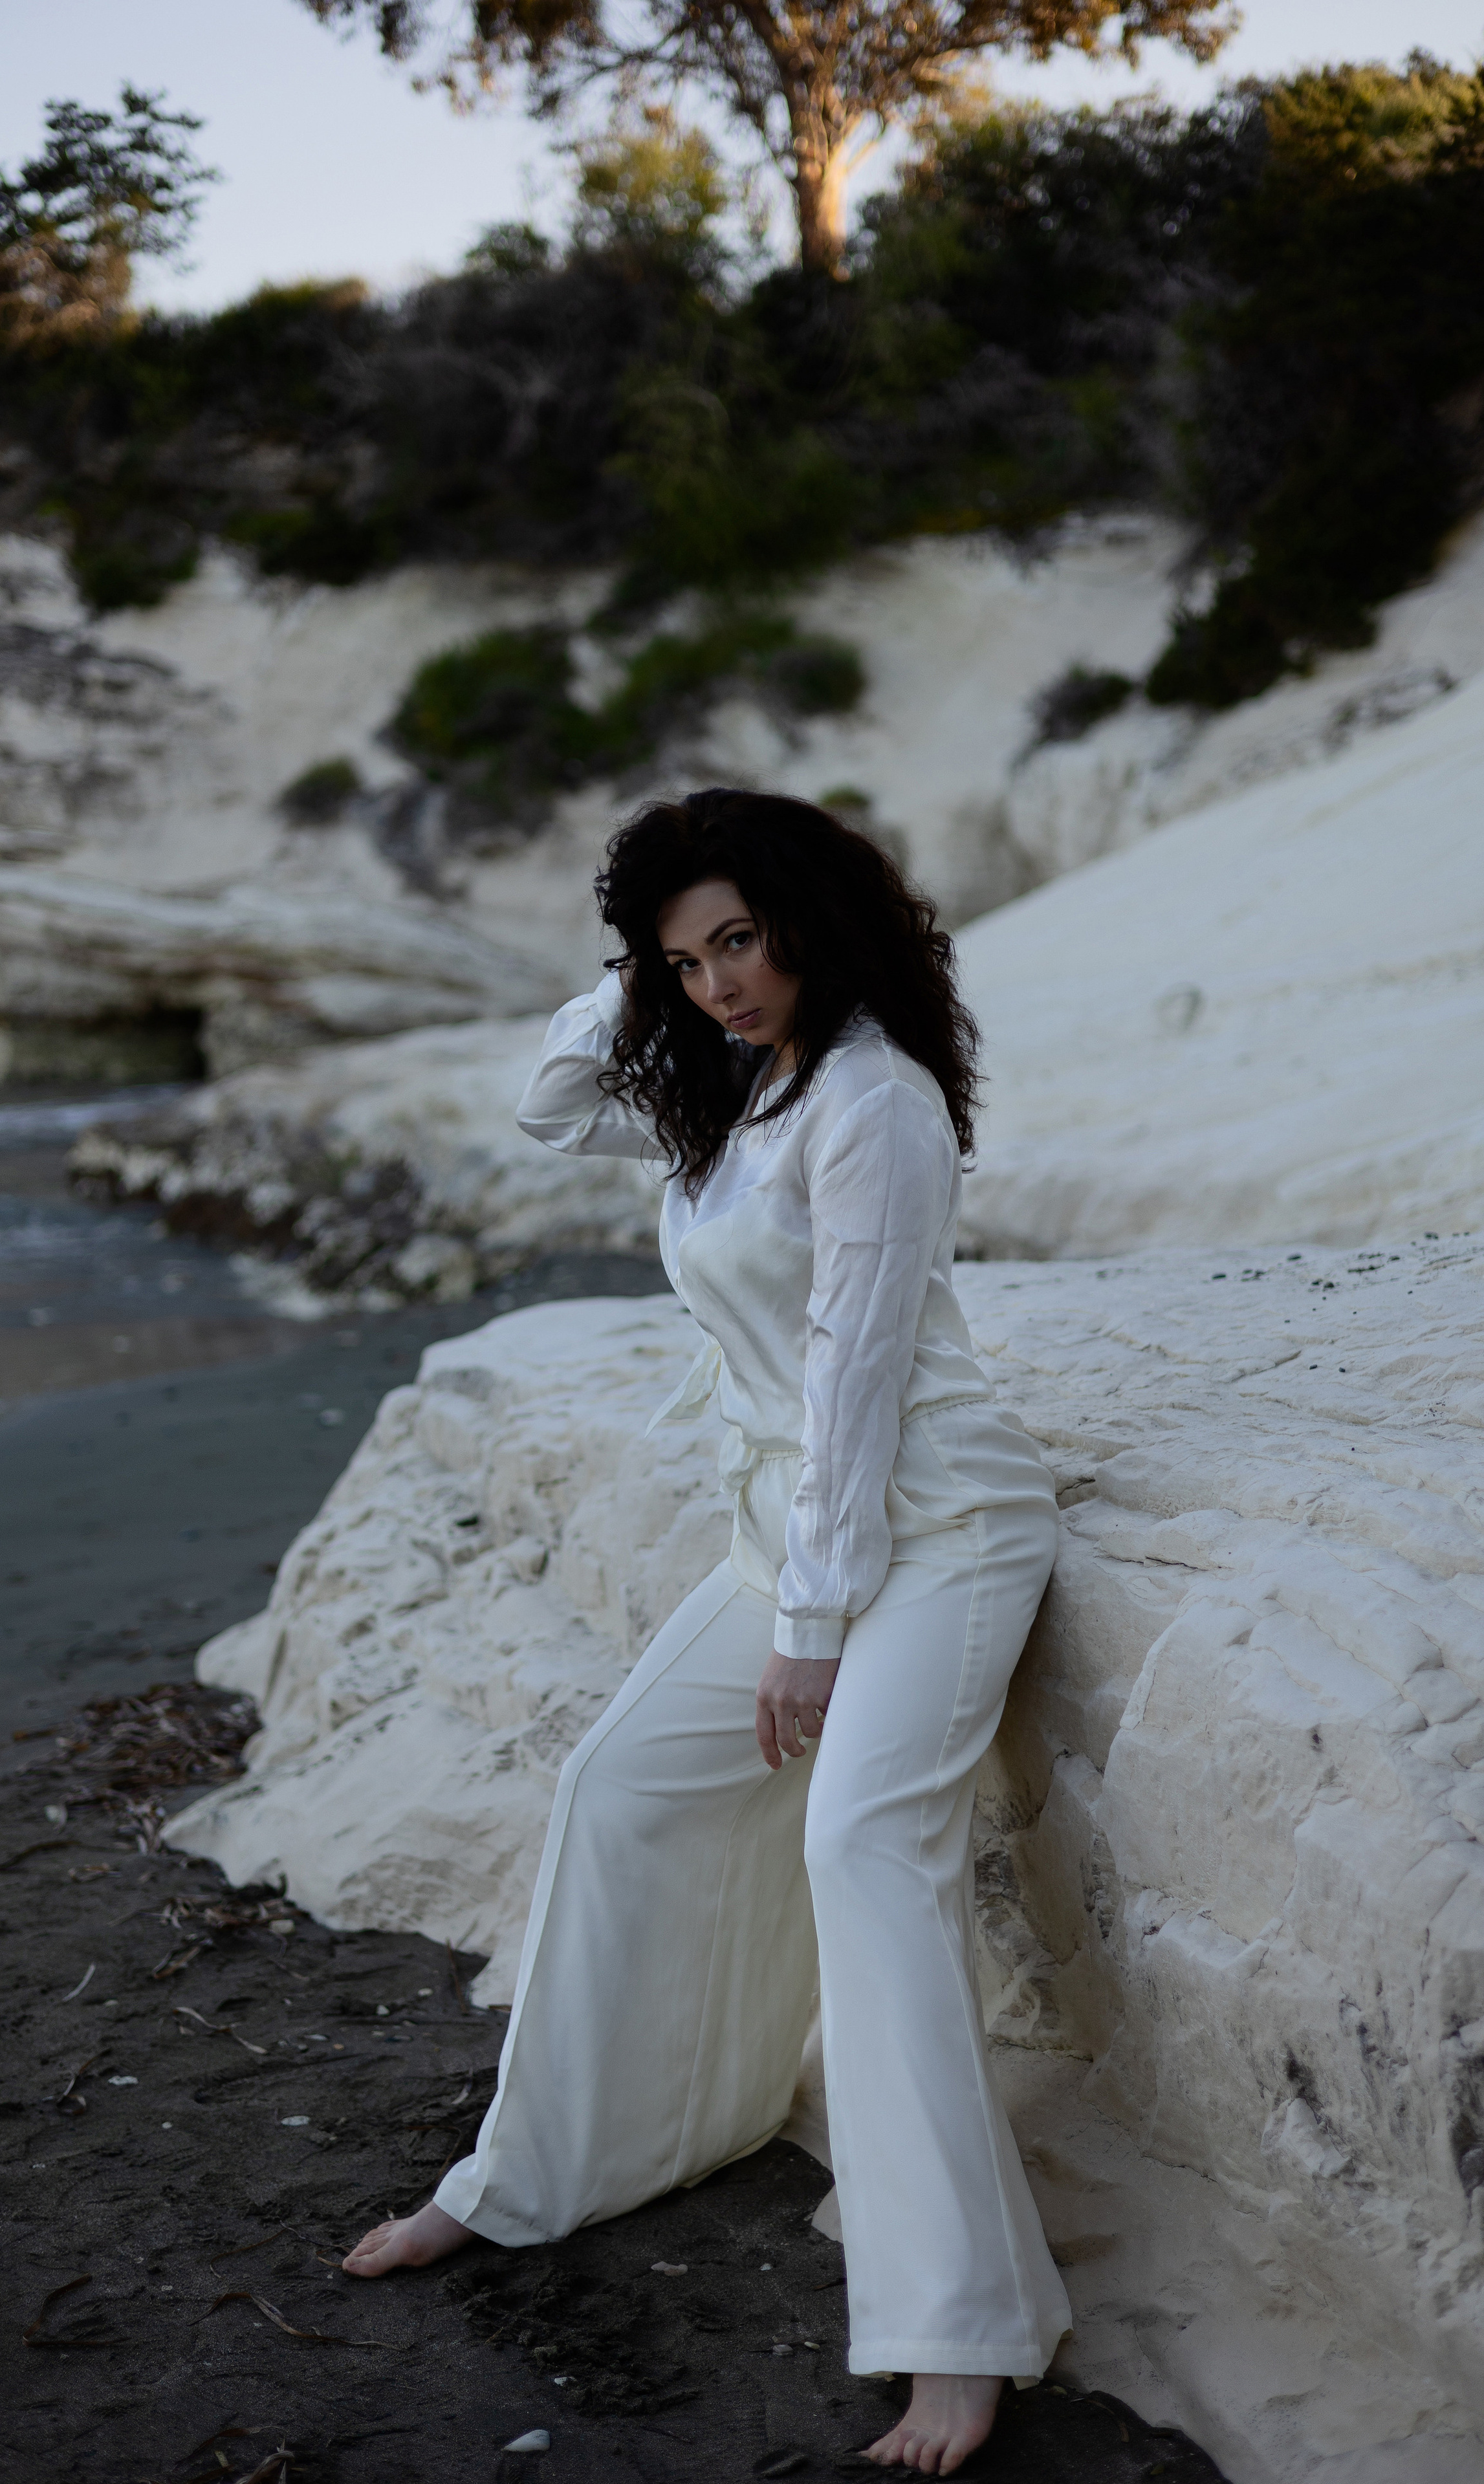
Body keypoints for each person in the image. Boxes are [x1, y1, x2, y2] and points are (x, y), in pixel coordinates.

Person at [343, 787, 1071, 2474]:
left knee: (860, 1847)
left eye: (739, 936)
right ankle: (539, 2177)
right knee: (616, 1788)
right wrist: (644, 968)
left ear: (813, 914)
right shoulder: (732, 1092)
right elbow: (544, 1101)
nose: (718, 982)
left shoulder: (872, 1105)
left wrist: (812, 1625)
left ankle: (957, 2338)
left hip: (941, 1536)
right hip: (794, 1540)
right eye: (685, 960)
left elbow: (857, 1385)